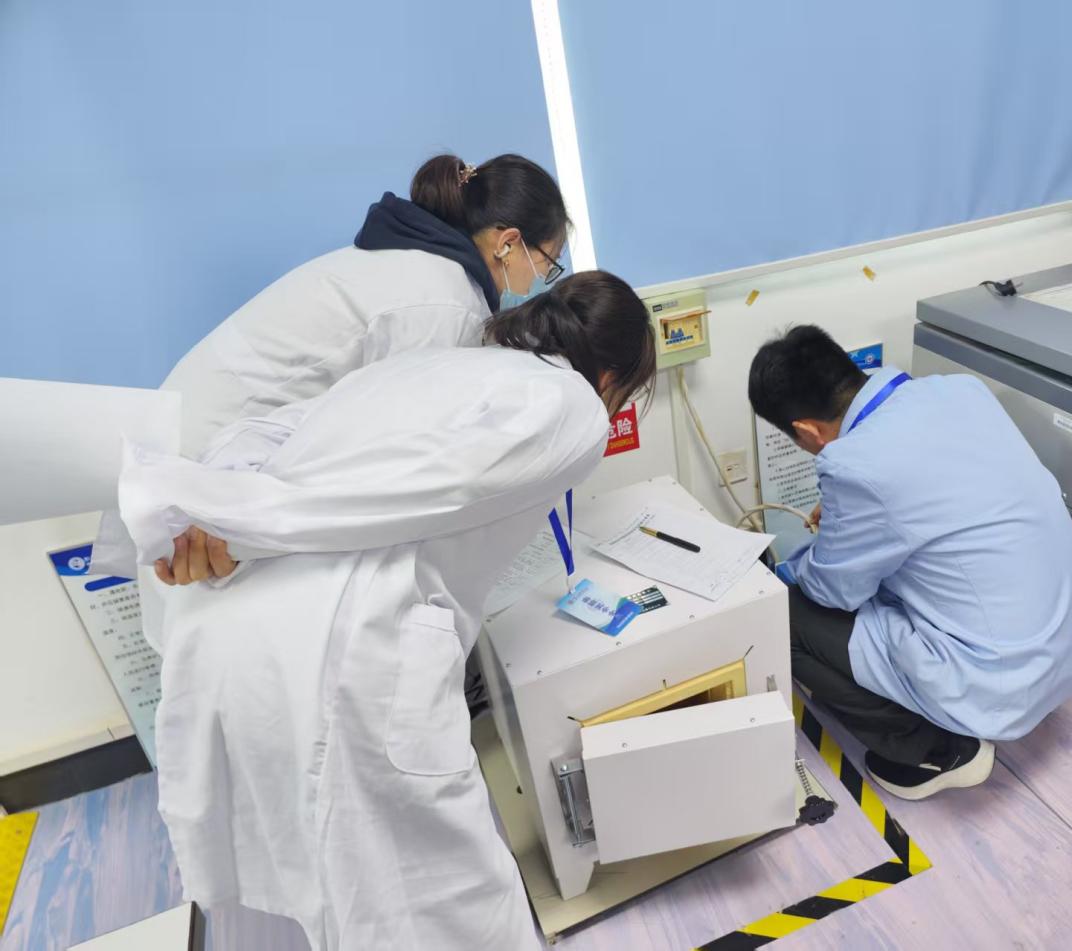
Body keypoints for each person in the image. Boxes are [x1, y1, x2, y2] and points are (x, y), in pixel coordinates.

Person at [116, 272, 657, 950]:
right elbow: (435, 487)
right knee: (442, 906)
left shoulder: (427, 364)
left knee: (334, 891)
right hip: (339, 656)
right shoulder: (572, 403)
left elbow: (259, 437)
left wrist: (204, 511)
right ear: (611, 375)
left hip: (227, 638)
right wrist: (234, 529)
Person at [92, 151, 570, 577]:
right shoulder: (442, 303)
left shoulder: (409, 261)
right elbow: (396, 457)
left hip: (194, 449)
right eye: (547, 263)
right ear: (508, 243)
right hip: (208, 476)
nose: (541, 281)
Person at [748, 325, 1072, 801]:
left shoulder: (853, 465)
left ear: (806, 431)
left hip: (1002, 680)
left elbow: (834, 592)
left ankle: (937, 750)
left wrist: (781, 573)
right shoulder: (961, 391)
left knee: (781, 613)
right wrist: (849, 518)